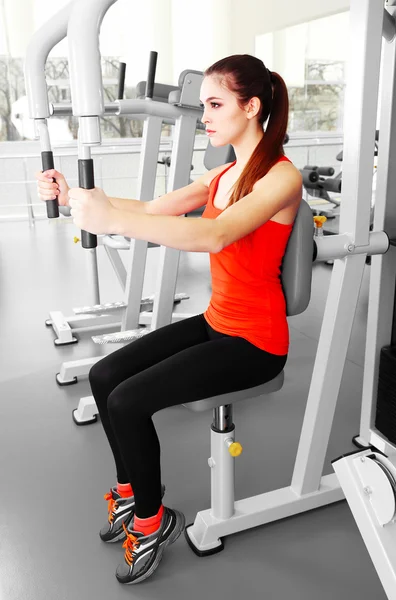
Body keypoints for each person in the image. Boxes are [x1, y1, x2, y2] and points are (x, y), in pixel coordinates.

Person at [36, 54, 303, 585]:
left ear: (251, 107)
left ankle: (153, 523)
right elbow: (151, 207)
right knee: (104, 375)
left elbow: (215, 235)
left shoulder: (280, 178)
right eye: (203, 104)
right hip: (217, 321)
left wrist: (112, 219)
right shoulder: (223, 173)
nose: (204, 114)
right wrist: (74, 199)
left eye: (214, 104)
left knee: (129, 401)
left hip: (255, 342)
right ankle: (133, 492)